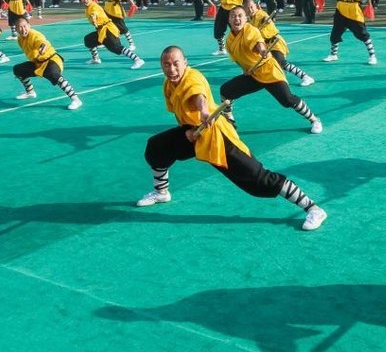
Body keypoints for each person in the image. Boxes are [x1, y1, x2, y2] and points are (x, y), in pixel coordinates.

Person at [134, 45, 327, 231]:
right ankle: (161, 192)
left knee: (259, 180)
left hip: (216, 136)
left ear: (185, 62)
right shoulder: (168, 83)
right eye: (166, 64)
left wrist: (203, 111)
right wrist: (188, 133)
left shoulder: (193, 78)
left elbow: (198, 95)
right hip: (193, 131)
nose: (172, 69)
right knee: (156, 148)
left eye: (176, 63)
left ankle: (313, 209)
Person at [219, 6, 324, 134]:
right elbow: (237, 58)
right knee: (225, 91)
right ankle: (230, 123)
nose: (237, 19)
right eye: (233, 16)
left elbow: (258, 43)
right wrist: (244, 69)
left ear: (246, 18)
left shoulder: (250, 30)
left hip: (268, 71)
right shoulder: (229, 40)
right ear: (229, 19)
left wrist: (263, 50)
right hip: (253, 75)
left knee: (287, 100)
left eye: (240, 15)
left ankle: (314, 120)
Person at [11, 15, 82, 109]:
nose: (23, 29)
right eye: (20, 27)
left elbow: (43, 42)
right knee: (18, 69)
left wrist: (42, 48)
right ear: (16, 29)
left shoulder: (35, 34)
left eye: (25, 26)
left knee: (53, 75)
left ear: (29, 25)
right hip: (38, 63)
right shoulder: (20, 40)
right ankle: (30, 92)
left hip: (51, 60)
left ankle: (76, 100)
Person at [244, 0, 314, 86]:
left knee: (281, 62)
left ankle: (306, 77)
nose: (250, 10)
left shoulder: (260, 14)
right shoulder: (251, 20)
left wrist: (265, 20)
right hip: (266, 45)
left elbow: (265, 18)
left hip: (275, 42)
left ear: (255, 6)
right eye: (247, 8)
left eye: (251, 7)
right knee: (269, 64)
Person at [81, 0, 144, 68]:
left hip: (108, 30)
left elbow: (95, 13)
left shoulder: (94, 6)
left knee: (116, 47)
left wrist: (94, 17)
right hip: (101, 31)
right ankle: (96, 59)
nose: (85, 0)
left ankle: (137, 60)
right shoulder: (87, 8)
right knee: (88, 40)